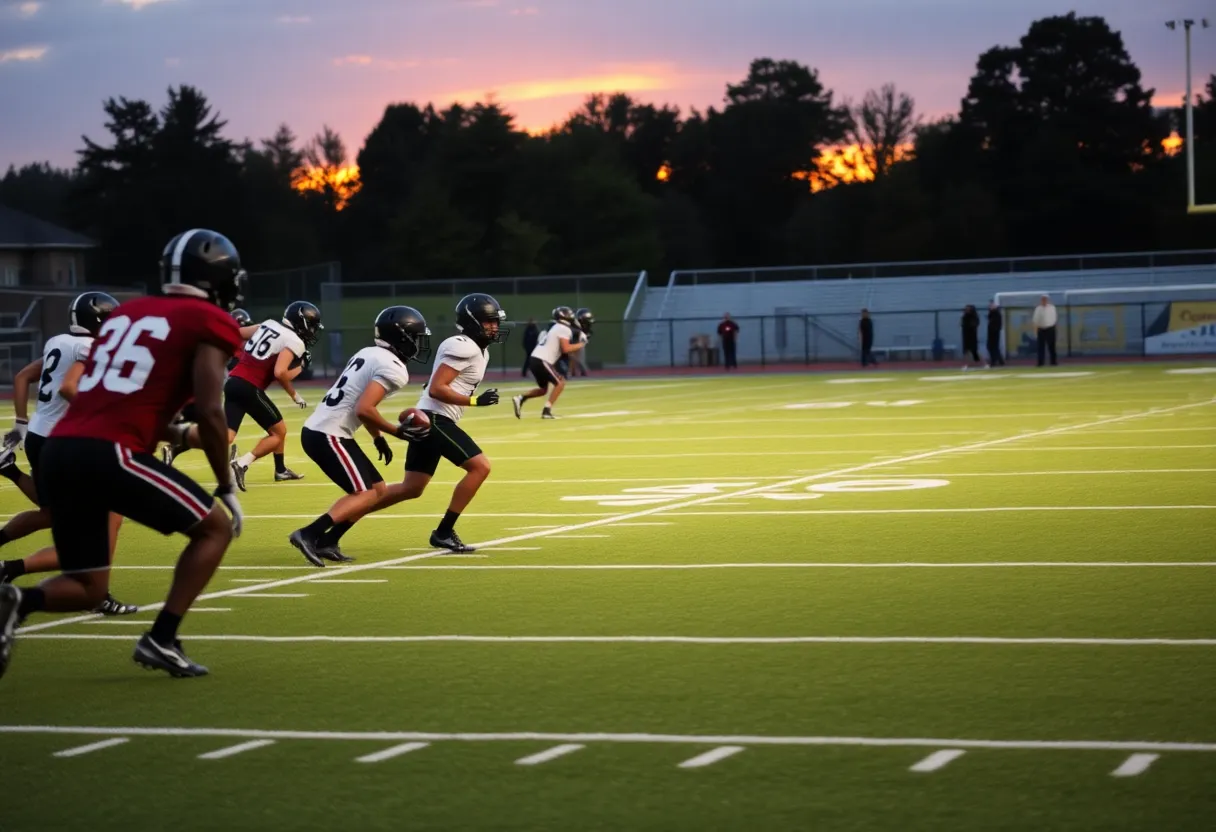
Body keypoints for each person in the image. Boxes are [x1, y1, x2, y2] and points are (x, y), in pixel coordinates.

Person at [0, 227, 247, 680]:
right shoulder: (210, 319)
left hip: (58, 450)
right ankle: (162, 638)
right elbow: (212, 408)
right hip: (108, 452)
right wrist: (225, 484)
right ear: (218, 277)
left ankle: (19, 600)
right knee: (214, 528)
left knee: (89, 586)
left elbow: (113, 393)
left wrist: (175, 433)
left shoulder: (126, 313)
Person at [0, 292, 136, 616]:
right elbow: (69, 388)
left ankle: (11, 475)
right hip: (64, 444)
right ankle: (90, 590)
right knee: (100, 526)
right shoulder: (90, 348)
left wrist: (20, 423)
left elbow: (24, 377)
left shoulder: (57, 342)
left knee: (52, 514)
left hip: (38, 436)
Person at [341, 293, 506, 555]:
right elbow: (437, 390)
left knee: (412, 488)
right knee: (480, 467)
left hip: (431, 417)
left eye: (495, 321)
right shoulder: (464, 346)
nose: (495, 326)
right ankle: (443, 532)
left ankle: (338, 521)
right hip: (435, 418)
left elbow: (433, 384)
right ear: (473, 322)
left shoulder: (477, 350)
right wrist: (475, 401)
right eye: (489, 322)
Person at [288, 306, 433, 566]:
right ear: (402, 337)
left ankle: (328, 541)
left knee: (377, 490)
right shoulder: (394, 368)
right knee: (364, 494)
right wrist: (397, 432)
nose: (419, 344)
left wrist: (378, 437)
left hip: (325, 430)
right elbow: (364, 409)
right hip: (327, 434)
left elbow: (362, 405)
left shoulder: (369, 353)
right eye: (417, 337)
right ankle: (309, 534)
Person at [225, 300, 323, 489]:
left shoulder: (268, 324)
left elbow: (235, 333)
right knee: (279, 432)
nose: (312, 330)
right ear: (301, 322)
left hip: (233, 382)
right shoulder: (295, 341)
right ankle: (242, 463)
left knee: (227, 437)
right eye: (311, 325)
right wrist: (295, 391)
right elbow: (280, 373)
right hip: (249, 386)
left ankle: (178, 445)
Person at [514, 306, 586, 420]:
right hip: (542, 359)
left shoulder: (557, 327)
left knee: (543, 390)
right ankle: (546, 411)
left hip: (535, 358)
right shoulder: (563, 328)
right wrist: (581, 344)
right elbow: (565, 349)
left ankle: (521, 398)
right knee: (560, 383)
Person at [1033, 294, 1059, 366]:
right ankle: (1040, 363)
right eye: (1043, 299)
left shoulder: (1052, 308)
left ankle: (1053, 362)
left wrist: (1054, 327)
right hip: (1041, 329)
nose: (1044, 301)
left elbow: (1055, 318)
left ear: (1048, 300)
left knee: (1052, 347)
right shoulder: (1038, 309)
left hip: (1050, 328)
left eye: (1045, 299)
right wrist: (1035, 330)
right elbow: (1035, 320)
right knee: (1040, 347)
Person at [986, 301, 1005, 367]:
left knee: (993, 347)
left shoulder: (997, 314)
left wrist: (995, 329)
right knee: (992, 347)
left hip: (994, 333)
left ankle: (995, 361)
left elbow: (997, 324)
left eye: (992, 305)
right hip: (991, 332)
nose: (990, 307)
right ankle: (999, 360)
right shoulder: (992, 313)